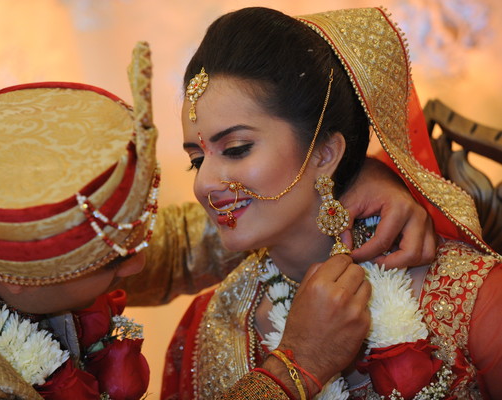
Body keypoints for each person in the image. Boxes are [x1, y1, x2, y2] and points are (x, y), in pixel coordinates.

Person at [0, 42, 435, 399]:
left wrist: (337, 179)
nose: (137, 263)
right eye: (112, 259)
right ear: (23, 276)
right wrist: (298, 365)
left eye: (239, 147)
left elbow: (178, 245)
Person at [163, 6, 502, 400]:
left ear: (325, 154)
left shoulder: (469, 298)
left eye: (236, 149)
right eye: (196, 161)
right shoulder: (207, 330)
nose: (204, 183)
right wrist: (299, 361)